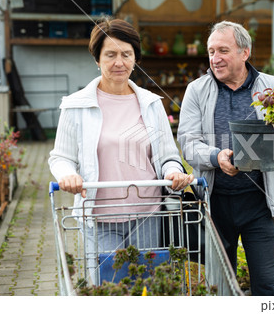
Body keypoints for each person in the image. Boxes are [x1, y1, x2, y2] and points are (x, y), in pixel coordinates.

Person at [48, 18, 193, 284]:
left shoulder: (151, 103)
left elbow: (168, 155)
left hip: (147, 216)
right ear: (97, 58)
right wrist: (67, 174)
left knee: (147, 287)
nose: (119, 62)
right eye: (111, 54)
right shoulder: (76, 105)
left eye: (126, 54)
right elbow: (61, 157)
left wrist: (173, 171)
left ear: (135, 58)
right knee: (111, 287)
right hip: (100, 217)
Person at [177, 21, 274, 296]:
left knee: (269, 286)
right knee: (220, 287)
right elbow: (188, 143)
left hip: (261, 203)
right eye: (211, 51)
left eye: (223, 50)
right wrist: (216, 157)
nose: (215, 58)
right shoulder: (197, 90)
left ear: (244, 53)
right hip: (215, 204)